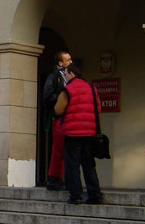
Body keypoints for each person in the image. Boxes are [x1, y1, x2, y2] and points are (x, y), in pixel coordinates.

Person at [54, 63, 104, 205]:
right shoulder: (92, 88)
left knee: (72, 165)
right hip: (90, 132)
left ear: (71, 74)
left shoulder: (67, 90)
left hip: (72, 133)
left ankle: (76, 195)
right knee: (88, 164)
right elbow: (98, 108)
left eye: (66, 74)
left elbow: (59, 109)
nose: (66, 76)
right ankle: (95, 194)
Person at [43, 50, 72, 190]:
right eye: (68, 60)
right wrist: (62, 100)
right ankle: (54, 177)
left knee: (65, 147)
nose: (70, 61)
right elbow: (48, 95)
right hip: (59, 116)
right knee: (58, 148)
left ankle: (64, 177)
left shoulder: (66, 76)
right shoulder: (55, 76)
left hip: (67, 116)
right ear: (60, 63)